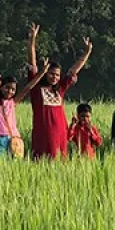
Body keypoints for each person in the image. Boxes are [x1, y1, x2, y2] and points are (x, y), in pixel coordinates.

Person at [15, 24, 93, 160]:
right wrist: (32, 40)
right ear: (45, 73)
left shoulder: (60, 89)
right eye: (51, 74)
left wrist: (87, 53)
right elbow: (32, 63)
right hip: (44, 133)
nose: (54, 77)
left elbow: (73, 71)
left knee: (59, 162)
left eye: (57, 75)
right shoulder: (37, 88)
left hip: (61, 132)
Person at [0, 72, 20, 158]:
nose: (10, 91)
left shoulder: (13, 102)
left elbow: (28, 87)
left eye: (13, 89)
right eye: (7, 87)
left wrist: (42, 72)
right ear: (1, 87)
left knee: (12, 165)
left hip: (12, 139)